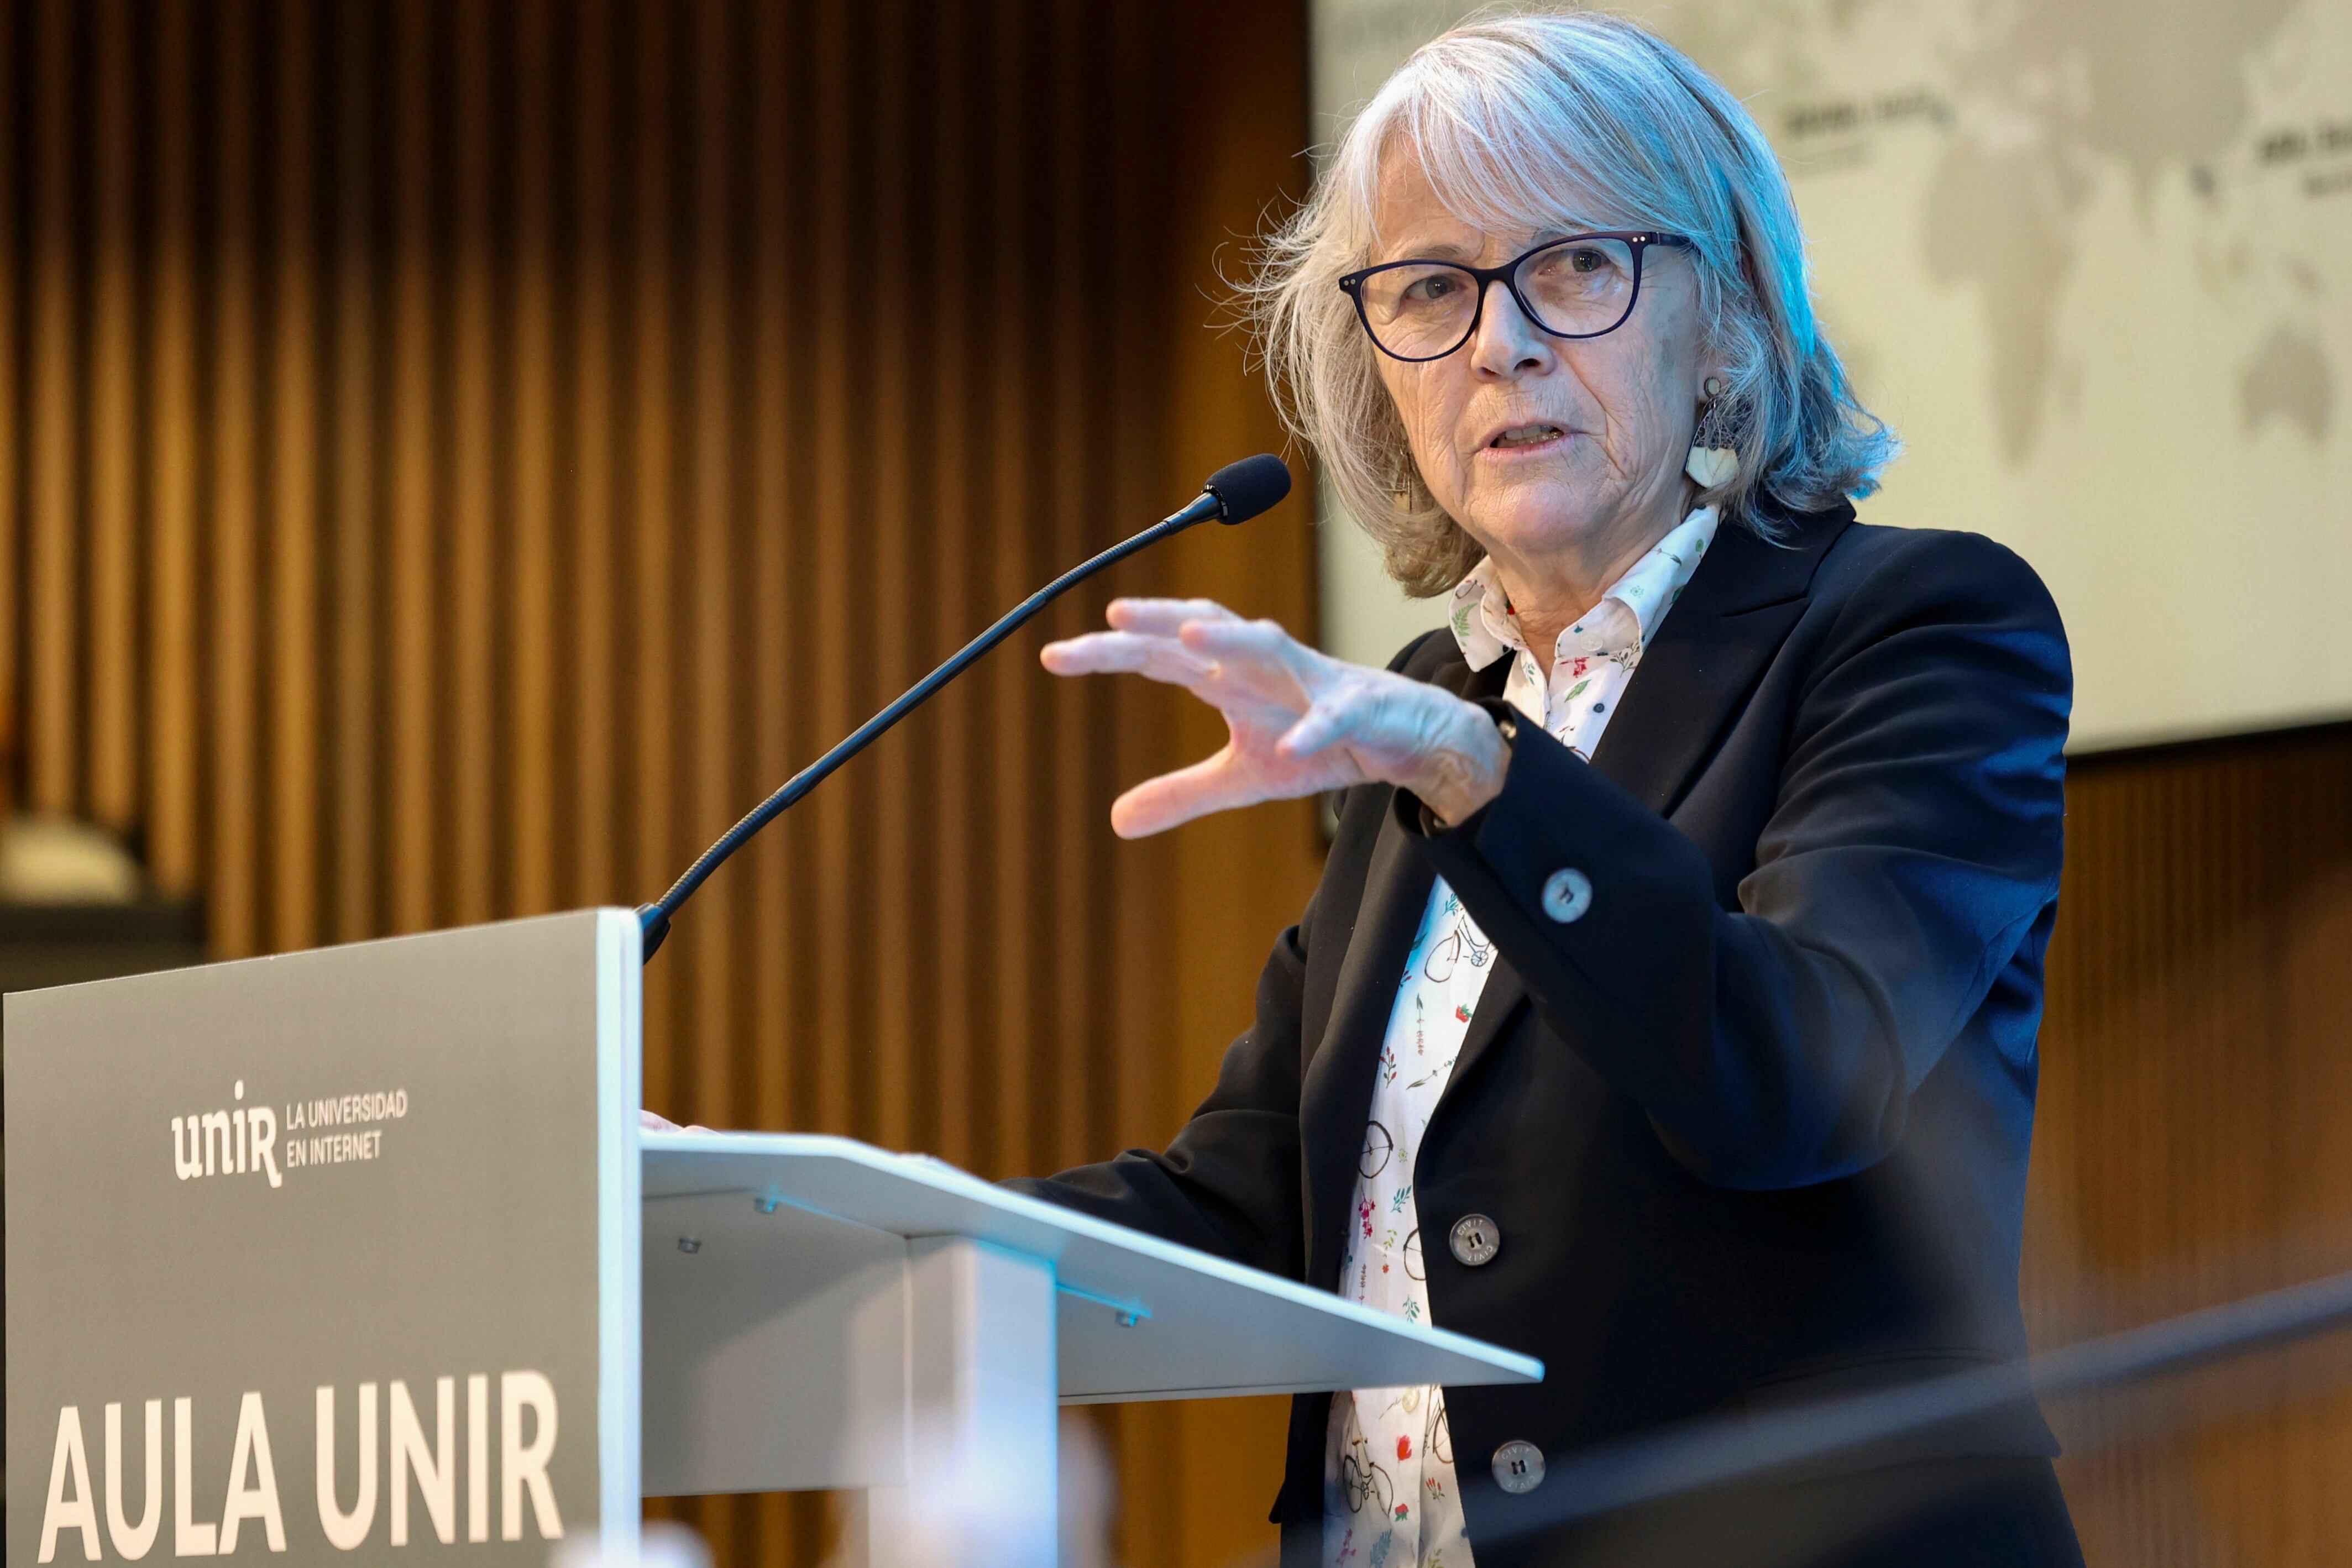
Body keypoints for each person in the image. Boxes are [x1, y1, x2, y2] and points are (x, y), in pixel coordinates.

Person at [1008, 12, 2081, 1568]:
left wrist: (1471, 776)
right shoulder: (1443, 710)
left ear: (1721, 317)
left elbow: (1798, 1078)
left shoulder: (1915, 626)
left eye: (1574, 264)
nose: (1499, 341)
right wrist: (811, 1225)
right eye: (1434, 288)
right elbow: (1252, 1209)